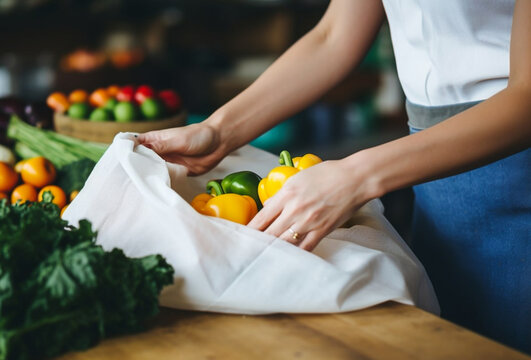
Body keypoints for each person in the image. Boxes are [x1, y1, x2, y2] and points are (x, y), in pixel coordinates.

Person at [138, 0, 530, 353]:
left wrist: (357, 176)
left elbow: (526, 97)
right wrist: (219, 130)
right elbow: (334, 35)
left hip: (514, 162)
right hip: (429, 163)